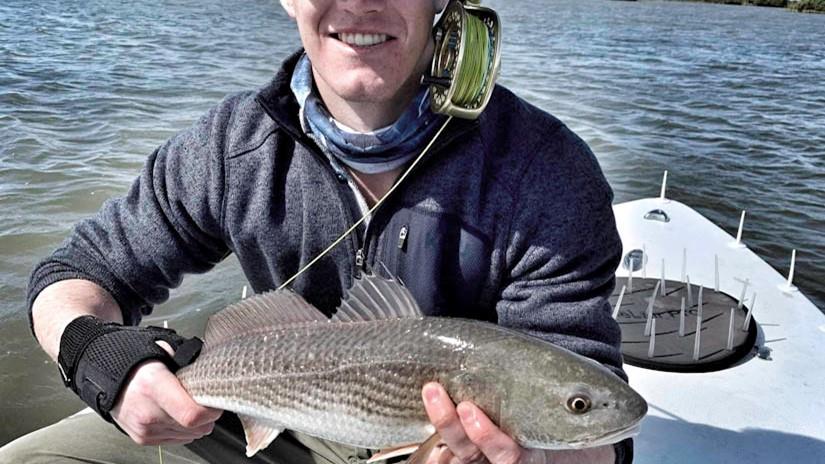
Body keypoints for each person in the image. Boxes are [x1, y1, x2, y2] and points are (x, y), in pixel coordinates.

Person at [0, 0, 631, 463]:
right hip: (259, 407)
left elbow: (595, 424)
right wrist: (100, 355)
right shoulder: (231, 146)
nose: (360, 2)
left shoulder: (547, 169)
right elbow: (72, 277)